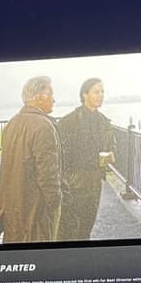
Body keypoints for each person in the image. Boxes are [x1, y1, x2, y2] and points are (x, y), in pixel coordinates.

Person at [0, 76, 62, 244]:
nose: (54, 99)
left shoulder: (11, 124)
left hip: (13, 209)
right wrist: (55, 204)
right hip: (35, 213)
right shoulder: (43, 126)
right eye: (51, 94)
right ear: (38, 97)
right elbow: (48, 175)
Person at [56, 77, 116, 241]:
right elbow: (60, 155)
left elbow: (111, 147)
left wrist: (111, 154)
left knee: (86, 226)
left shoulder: (104, 122)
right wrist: (67, 180)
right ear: (84, 95)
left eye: (102, 92)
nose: (101, 95)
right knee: (70, 228)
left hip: (95, 181)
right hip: (74, 181)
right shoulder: (69, 121)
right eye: (96, 92)